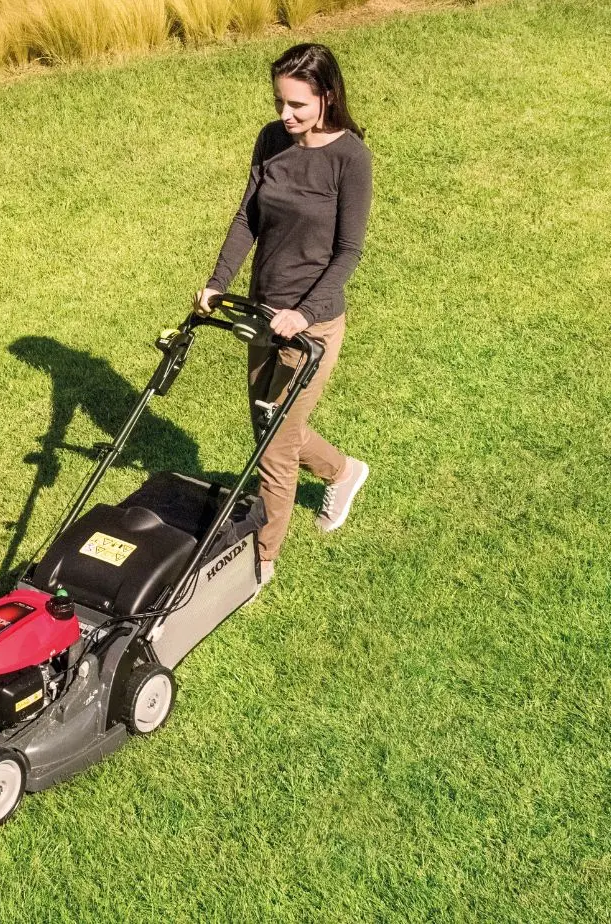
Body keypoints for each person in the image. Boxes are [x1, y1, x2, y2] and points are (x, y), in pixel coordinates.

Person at [197, 42, 373, 586]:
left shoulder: (350, 158)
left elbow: (348, 251)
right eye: (279, 101)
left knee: (275, 443)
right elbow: (247, 218)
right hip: (261, 311)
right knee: (267, 418)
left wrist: (304, 312)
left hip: (312, 325)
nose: (285, 114)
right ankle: (344, 471)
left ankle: (261, 561)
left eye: (297, 104)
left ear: (327, 97)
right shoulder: (272, 140)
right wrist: (217, 282)